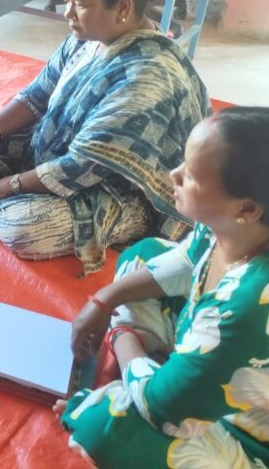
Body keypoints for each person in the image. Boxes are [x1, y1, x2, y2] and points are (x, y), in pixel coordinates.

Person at [0, 0, 210, 273]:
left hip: (120, 186)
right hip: (68, 155)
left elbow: (78, 167)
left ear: (123, 8)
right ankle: (17, 191)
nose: (68, 14)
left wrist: (0, 188)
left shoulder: (147, 77)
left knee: (20, 226)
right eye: (67, 1)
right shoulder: (89, 36)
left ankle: (132, 221)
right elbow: (38, 94)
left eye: (80, 5)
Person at [56, 108, 269, 467]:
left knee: (105, 428)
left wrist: (122, 336)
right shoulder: (234, 229)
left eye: (191, 175)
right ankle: (171, 369)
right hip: (220, 350)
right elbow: (186, 261)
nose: (174, 174)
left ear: (247, 208)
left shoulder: (245, 304)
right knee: (142, 256)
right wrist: (104, 299)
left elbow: (160, 411)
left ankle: (157, 368)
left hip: (250, 436)